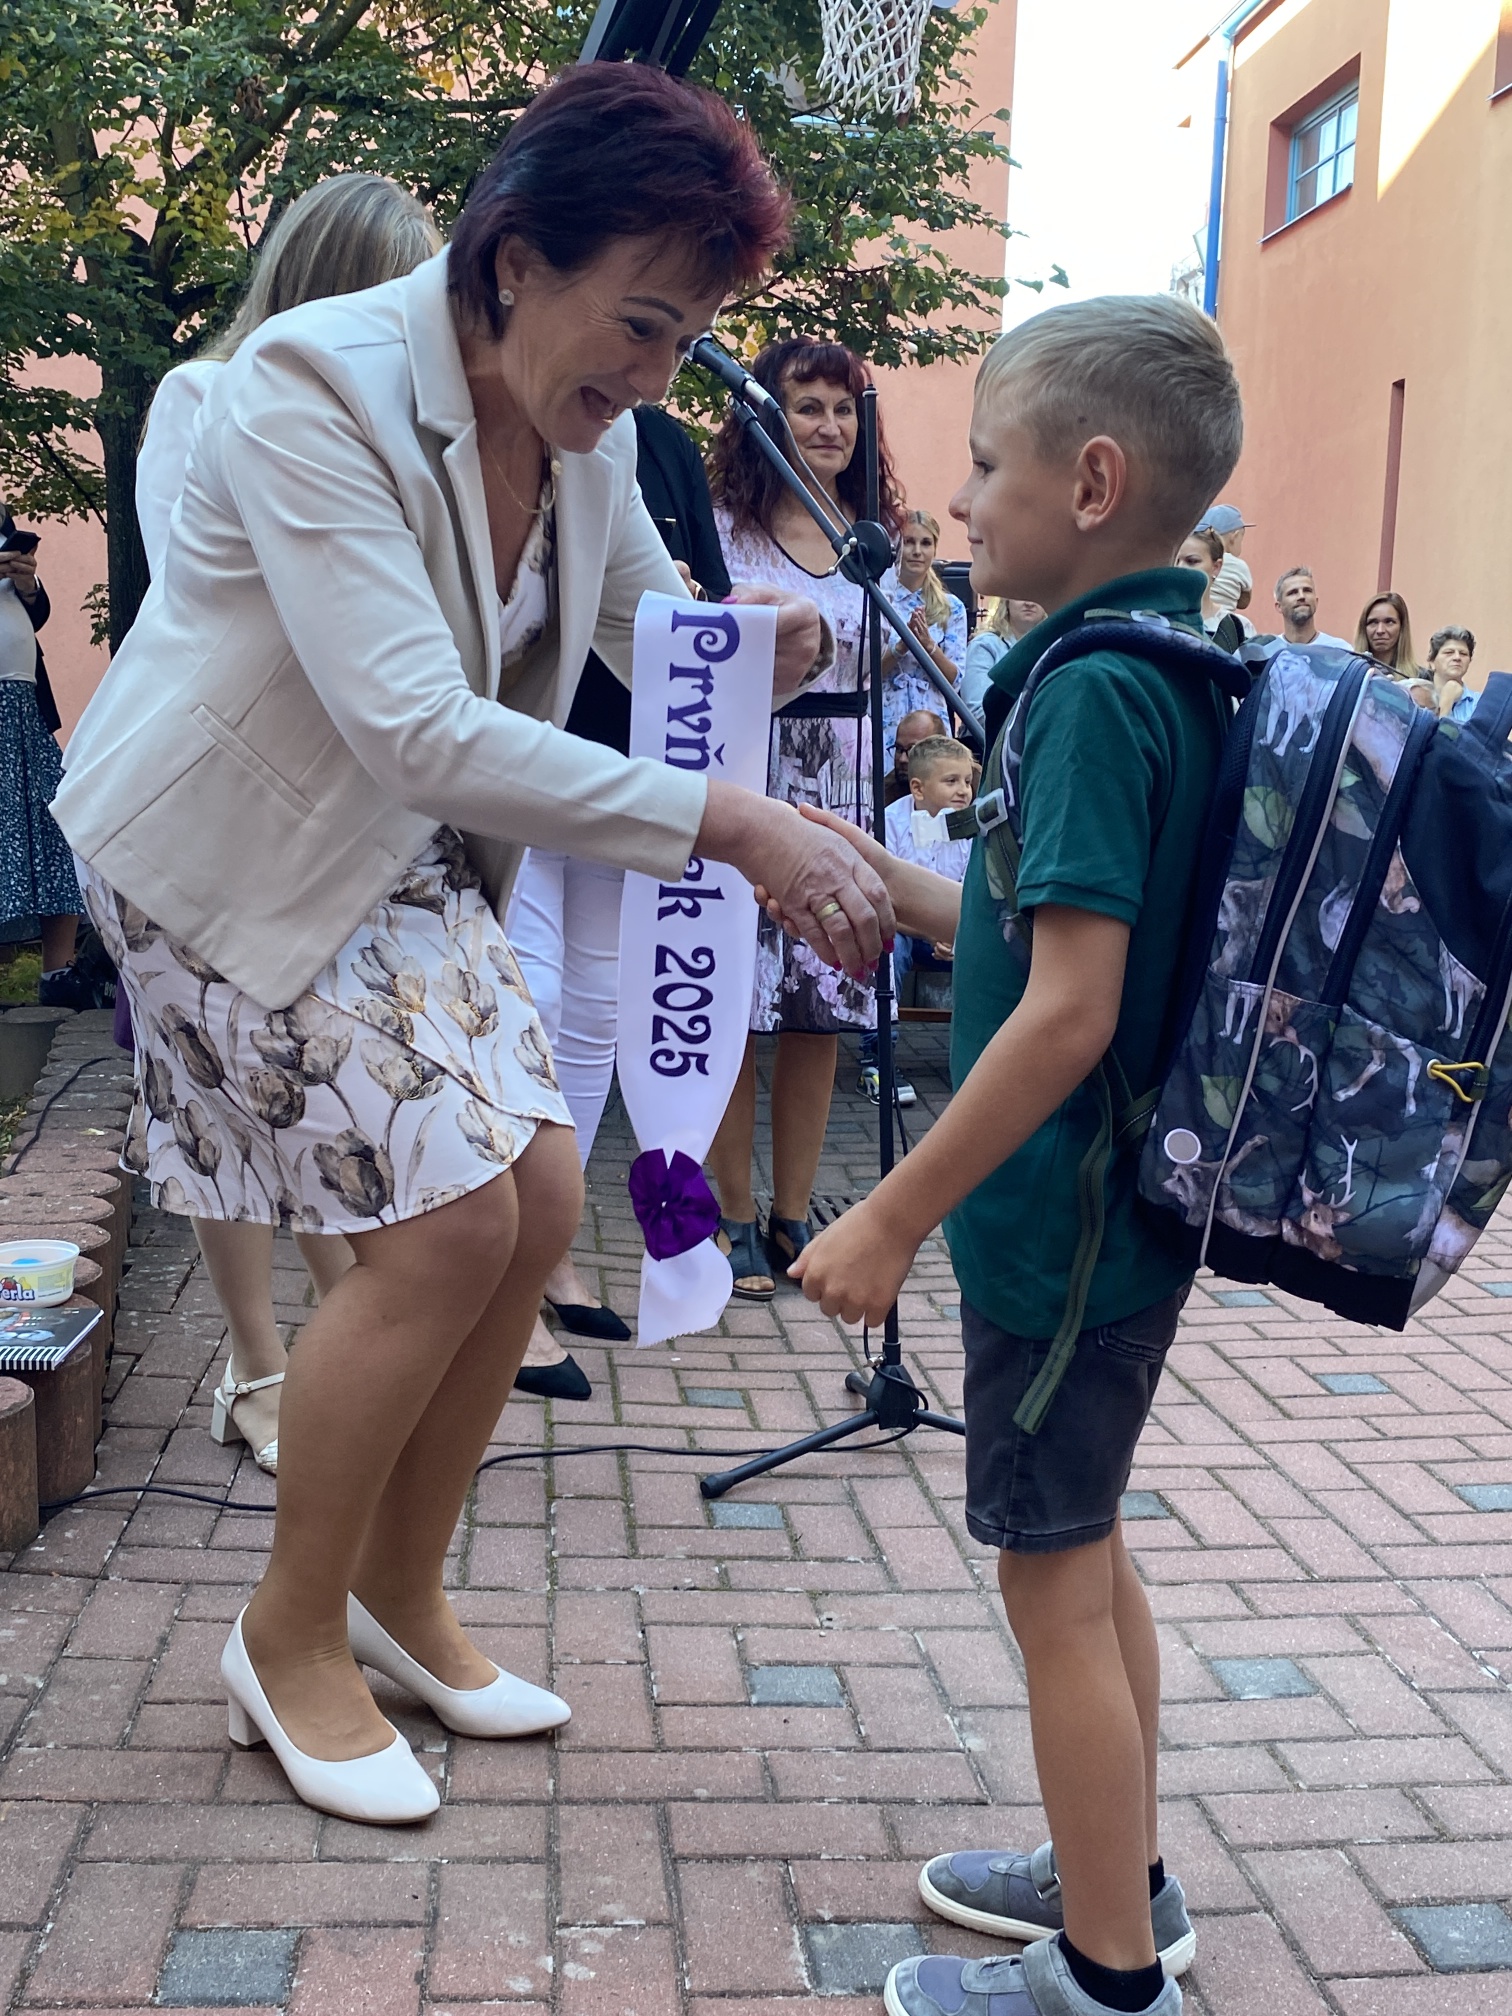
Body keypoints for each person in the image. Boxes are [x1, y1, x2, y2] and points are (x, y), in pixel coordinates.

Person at [52, 63, 894, 1827]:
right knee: (441, 1231)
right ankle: (286, 1637)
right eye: (641, 325)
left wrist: (768, 653)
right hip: (223, 857)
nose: (655, 378)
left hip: (402, 857)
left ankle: (397, 1593)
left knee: (535, 1201)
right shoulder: (311, 385)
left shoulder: (591, 436)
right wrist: (736, 828)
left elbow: (657, 636)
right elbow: (416, 727)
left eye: (687, 342)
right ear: (515, 260)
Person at [789, 293, 1244, 2016]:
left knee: (1047, 1580)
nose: (962, 500)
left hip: (1058, 1225)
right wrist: (884, 881)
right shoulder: (1162, 667)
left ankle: (1108, 1981)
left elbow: (1065, 1013)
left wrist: (894, 1218)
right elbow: (1036, 932)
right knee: (1088, 1547)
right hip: (1104, 1212)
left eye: (987, 466)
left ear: (1093, 483)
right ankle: (1115, 1871)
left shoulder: (1087, 696)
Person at [132, 172, 441, 1474]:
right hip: (213, 812)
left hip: (345, 813)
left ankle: (326, 1351)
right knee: (217, 1099)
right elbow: (202, 604)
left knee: (305, 1092)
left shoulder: (399, 437)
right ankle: (257, 1364)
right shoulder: (204, 399)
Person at [505, 401, 731, 1398]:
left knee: (597, 1010)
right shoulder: (496, 424)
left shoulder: (655, 442)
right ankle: (505, 1281)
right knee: (532, 998)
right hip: (513, 759)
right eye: (642, 328)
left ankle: (546, 1255)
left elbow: (705, 599)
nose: (655, 361)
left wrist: (712, 613)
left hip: (625, 758)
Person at [706, 336, 904, 1298]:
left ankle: (793, 1211)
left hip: (846, 774)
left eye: (843, 407)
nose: (829, 426)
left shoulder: (872, 535)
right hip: (753, 764)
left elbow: (890, 658)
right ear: (766, 416)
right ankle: (731, 1213)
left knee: (823, 1004)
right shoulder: (725, 528)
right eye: (807, 405)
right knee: (738, 1003)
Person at [0, 501, 90, 1008]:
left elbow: (34, 616)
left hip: (24, 704)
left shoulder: (7, 532)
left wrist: (29, 584)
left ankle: (59, 973)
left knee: (55, 826)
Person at [856, 735, 974, 1105]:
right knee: (887, 949)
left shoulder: (972, 826)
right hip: (905, 928)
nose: (964, 790)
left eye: (967, 781)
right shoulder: (889, 823)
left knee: (996, 949)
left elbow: (977, 894)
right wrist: (931, 930)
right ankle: (879, 1058)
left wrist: (958, 934)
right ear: (918, 788)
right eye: (951, 781)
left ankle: (980, 1056)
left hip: (957, 930)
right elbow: (882, 898)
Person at [881, 510, 967, 766]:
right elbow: (864, 674)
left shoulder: (951, 607)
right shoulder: (880, 598)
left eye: (926, 543)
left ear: (934, 549)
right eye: (909, 542)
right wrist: (901, 647)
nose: (917, 551)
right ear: (897, 547)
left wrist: (929, 646)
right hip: (886, 717)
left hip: (931, 717)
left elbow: (956, 680)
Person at [961, 599, 1046, 713]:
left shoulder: (1057, 645)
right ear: (1006, 602)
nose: (1029, 603)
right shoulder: (984, 646)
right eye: (1021, 596)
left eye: (1036, 596)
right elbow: (979, 710)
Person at [1173, 528, 1243, 652]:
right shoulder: (1156, 619)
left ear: (1216, 567)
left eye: (1192, 561)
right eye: (1176, 561)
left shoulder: (1235, 628)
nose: (1180, 568)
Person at [1258, 565, 1351, 652]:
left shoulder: (1339, 650)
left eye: (1307, 590)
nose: (1301, 596)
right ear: (1279, 606)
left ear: (1316, 601)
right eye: (1293, 592)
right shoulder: (1267, 652)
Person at [1193, 502, 1253, 629]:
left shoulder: (1198, 560)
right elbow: (1244, 602)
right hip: (1225, 624)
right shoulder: (1239, 566)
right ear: (1234, 536)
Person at [884, 706, 950, 805]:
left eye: (912, 750)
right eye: (898, 749)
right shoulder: (884, 793)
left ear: (940, 750)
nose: (902, 759)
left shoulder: (966, 783)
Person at [1425, 624, 1478, 722]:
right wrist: (1446, 703)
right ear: (1432, 661)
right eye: (1449, 652)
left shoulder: (1479, 703)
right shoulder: (1417, 695)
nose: (1457, 657)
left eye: (1463, 654)